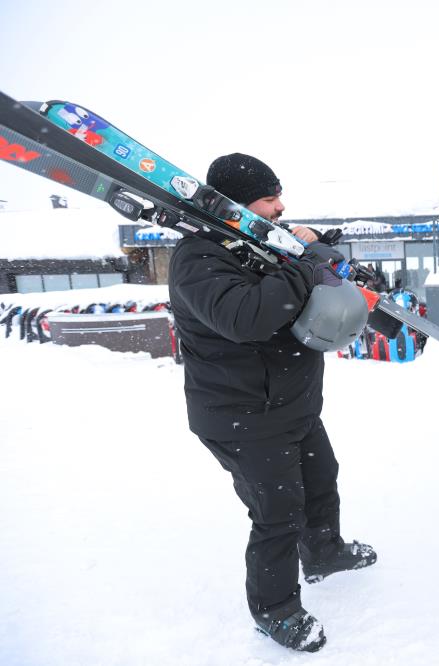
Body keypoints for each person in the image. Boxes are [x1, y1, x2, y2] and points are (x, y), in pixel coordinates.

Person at [169, 153, 377, 653]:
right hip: (243, 417)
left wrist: (317, 250)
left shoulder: (263, 245)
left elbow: (308, 281)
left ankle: (325, 552)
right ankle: (275, 609)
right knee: (278, 511)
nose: (281, 207)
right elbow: (247, 316)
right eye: (270, 199)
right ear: (238, 205)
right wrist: (305, 268)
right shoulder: (199, 258)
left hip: (294, 404)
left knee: (321, 480)